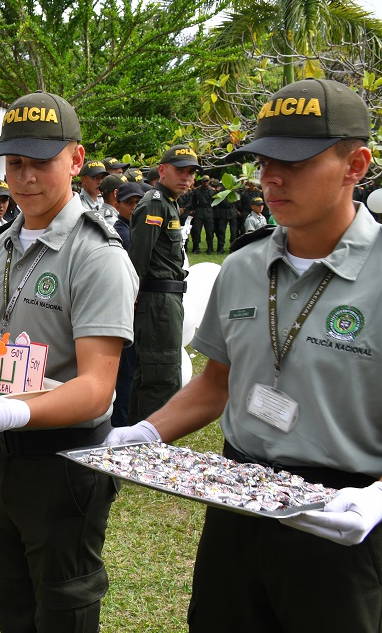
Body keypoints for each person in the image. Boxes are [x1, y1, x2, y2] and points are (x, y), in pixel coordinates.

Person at [109, 78, 382, 632]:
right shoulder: (242, 267)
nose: (270, 178)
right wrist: (147, 431)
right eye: (263, 162)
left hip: (344, 517)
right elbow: (217, 382)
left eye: (295, 162)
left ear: (355, 165)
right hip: (239, 500)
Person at [0, 91, 138, 632]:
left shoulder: (96, 255)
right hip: (5, 456)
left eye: (41, 161)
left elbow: (96, 389)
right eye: (14, 163)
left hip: (67, 462)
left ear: (76, 160)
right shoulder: (0, 245)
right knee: (11, 597)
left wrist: (10, 409)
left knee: (62, 605)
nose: (25, 177)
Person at [128, 144, 198, 424]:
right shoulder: (155, 203)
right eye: (180, 170)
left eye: (191, 172)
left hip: (166, 300)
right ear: (162, 170)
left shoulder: (169, 202)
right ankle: (152, 439)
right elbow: (139, 257)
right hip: (157, 301)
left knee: (155, 374)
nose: (187, 177)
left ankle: (139, 436)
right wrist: (133, 296)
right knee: (161, 376)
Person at [112, 181, 145, 427]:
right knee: (125, 371)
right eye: (129, 203)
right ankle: (121, 421)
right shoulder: (121, 233)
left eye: (138, 202)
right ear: (117, 205)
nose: (134, 207)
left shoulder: (134, 229)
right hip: (125, 309)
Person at [187, 174, 215, 254]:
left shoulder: (212, 191)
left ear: (209, 182)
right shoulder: (196, 191)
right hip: (199, 211)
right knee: (197, 231)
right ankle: (196, 247)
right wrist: (193, 210)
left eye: (207, 181)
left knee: (209, 231)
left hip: (208, 211)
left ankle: (210, 248)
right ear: (201, 182)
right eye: (204, 181)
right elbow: (193, 201)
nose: (206, 183)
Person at [212, 179, 238, 253]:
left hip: (232, 212)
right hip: (222, 212)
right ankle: (220, 248)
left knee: (233, 232)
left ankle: (233, 248)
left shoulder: (233, 190)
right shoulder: (220, 191)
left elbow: (238, 201)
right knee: (221, 232)